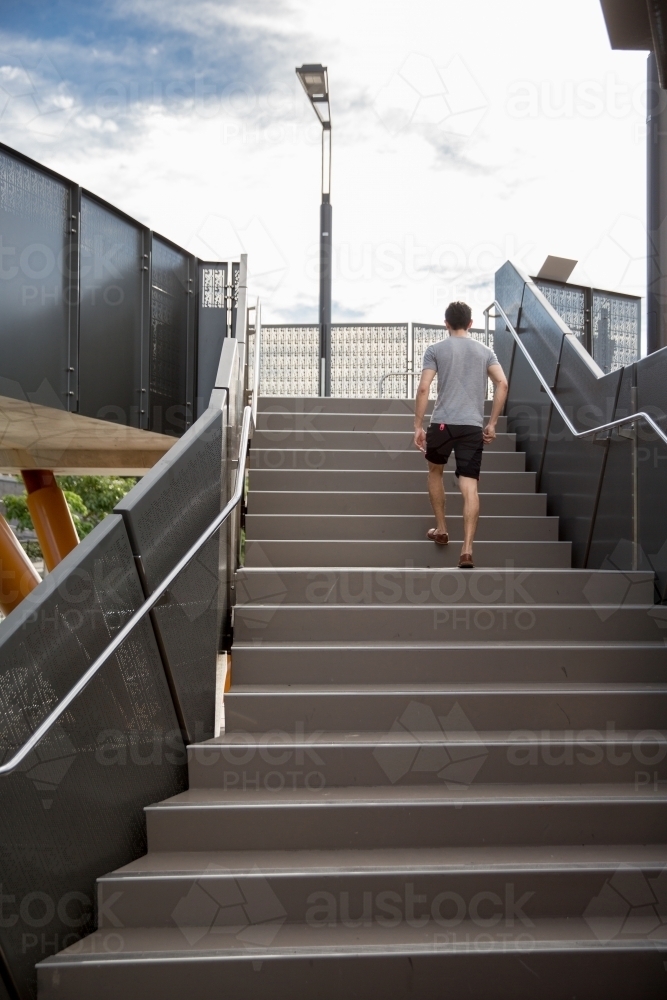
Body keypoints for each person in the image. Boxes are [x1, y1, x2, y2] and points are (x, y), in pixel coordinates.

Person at [413, 301, 508, 569]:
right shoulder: (485, 352)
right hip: (471, 427)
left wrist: (418, 426)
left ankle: (441, 529)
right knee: (470, 486)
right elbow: (502, 382)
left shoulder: (435, 350)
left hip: (442, 424)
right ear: (470, 323)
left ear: (446, 324)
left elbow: (423, 389)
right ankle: (466, 550)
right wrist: (492, 423)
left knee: (435, 471)